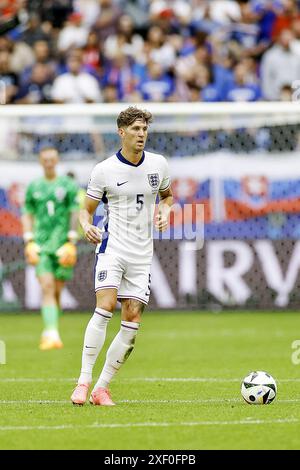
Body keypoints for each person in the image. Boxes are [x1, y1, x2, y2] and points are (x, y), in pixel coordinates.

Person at [71, 106, 173, 406]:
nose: (141, 134)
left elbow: (168, 197)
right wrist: (85, 225)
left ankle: (101, 388)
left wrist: (166, 212)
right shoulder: (104, 170)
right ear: (121, 132)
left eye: (144, 129)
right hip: (112, 248)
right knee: (104, 307)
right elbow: (85, 210)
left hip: (142, 255)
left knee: (132, 319)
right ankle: (82, 381)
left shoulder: (159, 165)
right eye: (135, 130)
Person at [22, 146, 79, 350]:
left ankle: (50, 328)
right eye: (45, 159)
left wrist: (72, 239)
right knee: (46, 286)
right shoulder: (34, 186)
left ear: (57, 161)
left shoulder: (68, 185)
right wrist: (29, 239)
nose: (48, 162)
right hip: (42, 244)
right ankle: (53, 334)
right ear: (40, 161)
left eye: (52, 159)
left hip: (62, 244)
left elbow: (74, 211)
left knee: (56, 291)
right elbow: (27, 212)